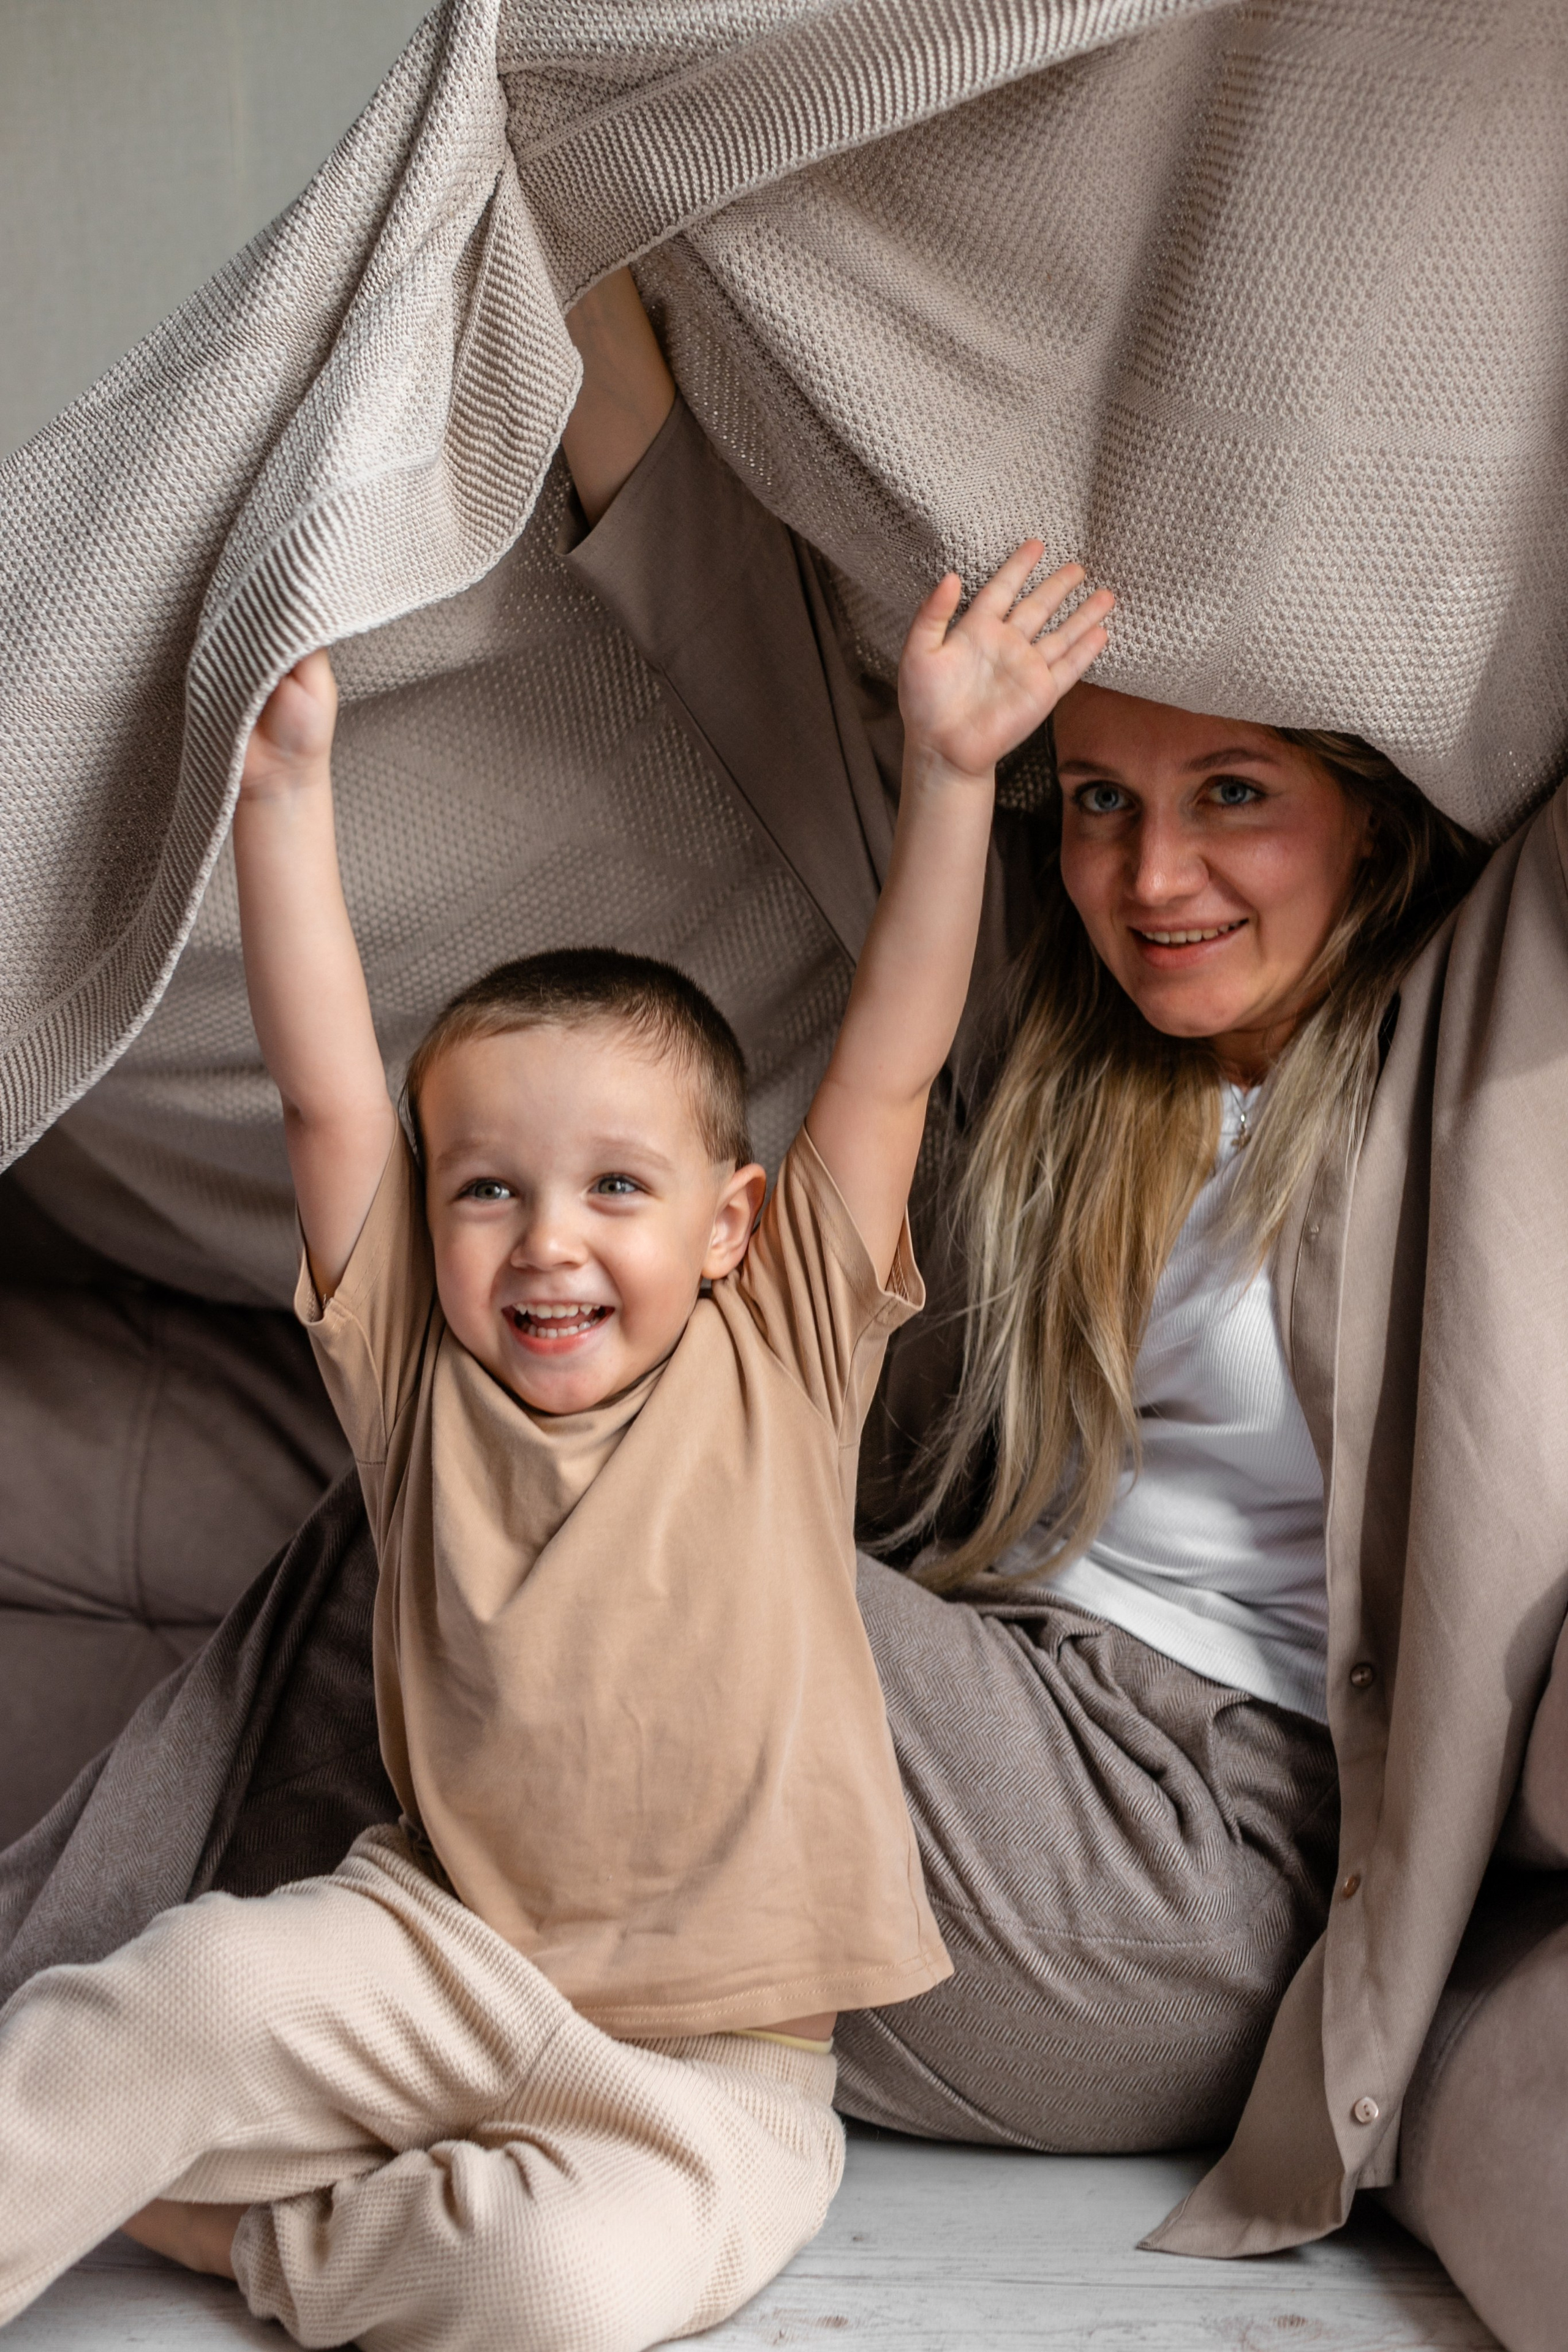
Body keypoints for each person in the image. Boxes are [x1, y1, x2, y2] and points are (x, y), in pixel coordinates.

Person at [4, 271, 1567, 2352]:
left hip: (1183, 1869)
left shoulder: (1470, 1063)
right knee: (454, 1469)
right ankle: (228, 2054)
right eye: (1098, 800)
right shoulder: (1073, 1084)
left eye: (1233, 797)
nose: (1153, 872)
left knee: (506, 1482)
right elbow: (820, 784)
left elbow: (869, 1071)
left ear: (1366, 814)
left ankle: (92, 1990)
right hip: (927, 1809)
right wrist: (580, 261)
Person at [0, 475, 1113, 2343]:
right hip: (433, 1954)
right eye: (488, 1188)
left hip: (718, 2066)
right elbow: (331, 1098)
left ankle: (243, 2230)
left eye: (615, 1189)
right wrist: (277, 801)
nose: (546, 1243)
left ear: (731, 1223)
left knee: (556, 2286)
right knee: (168, 1999)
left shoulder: (783, 1355)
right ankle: (181, 2147)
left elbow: (897, 1059)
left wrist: (951, 780)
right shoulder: (417, 1382)